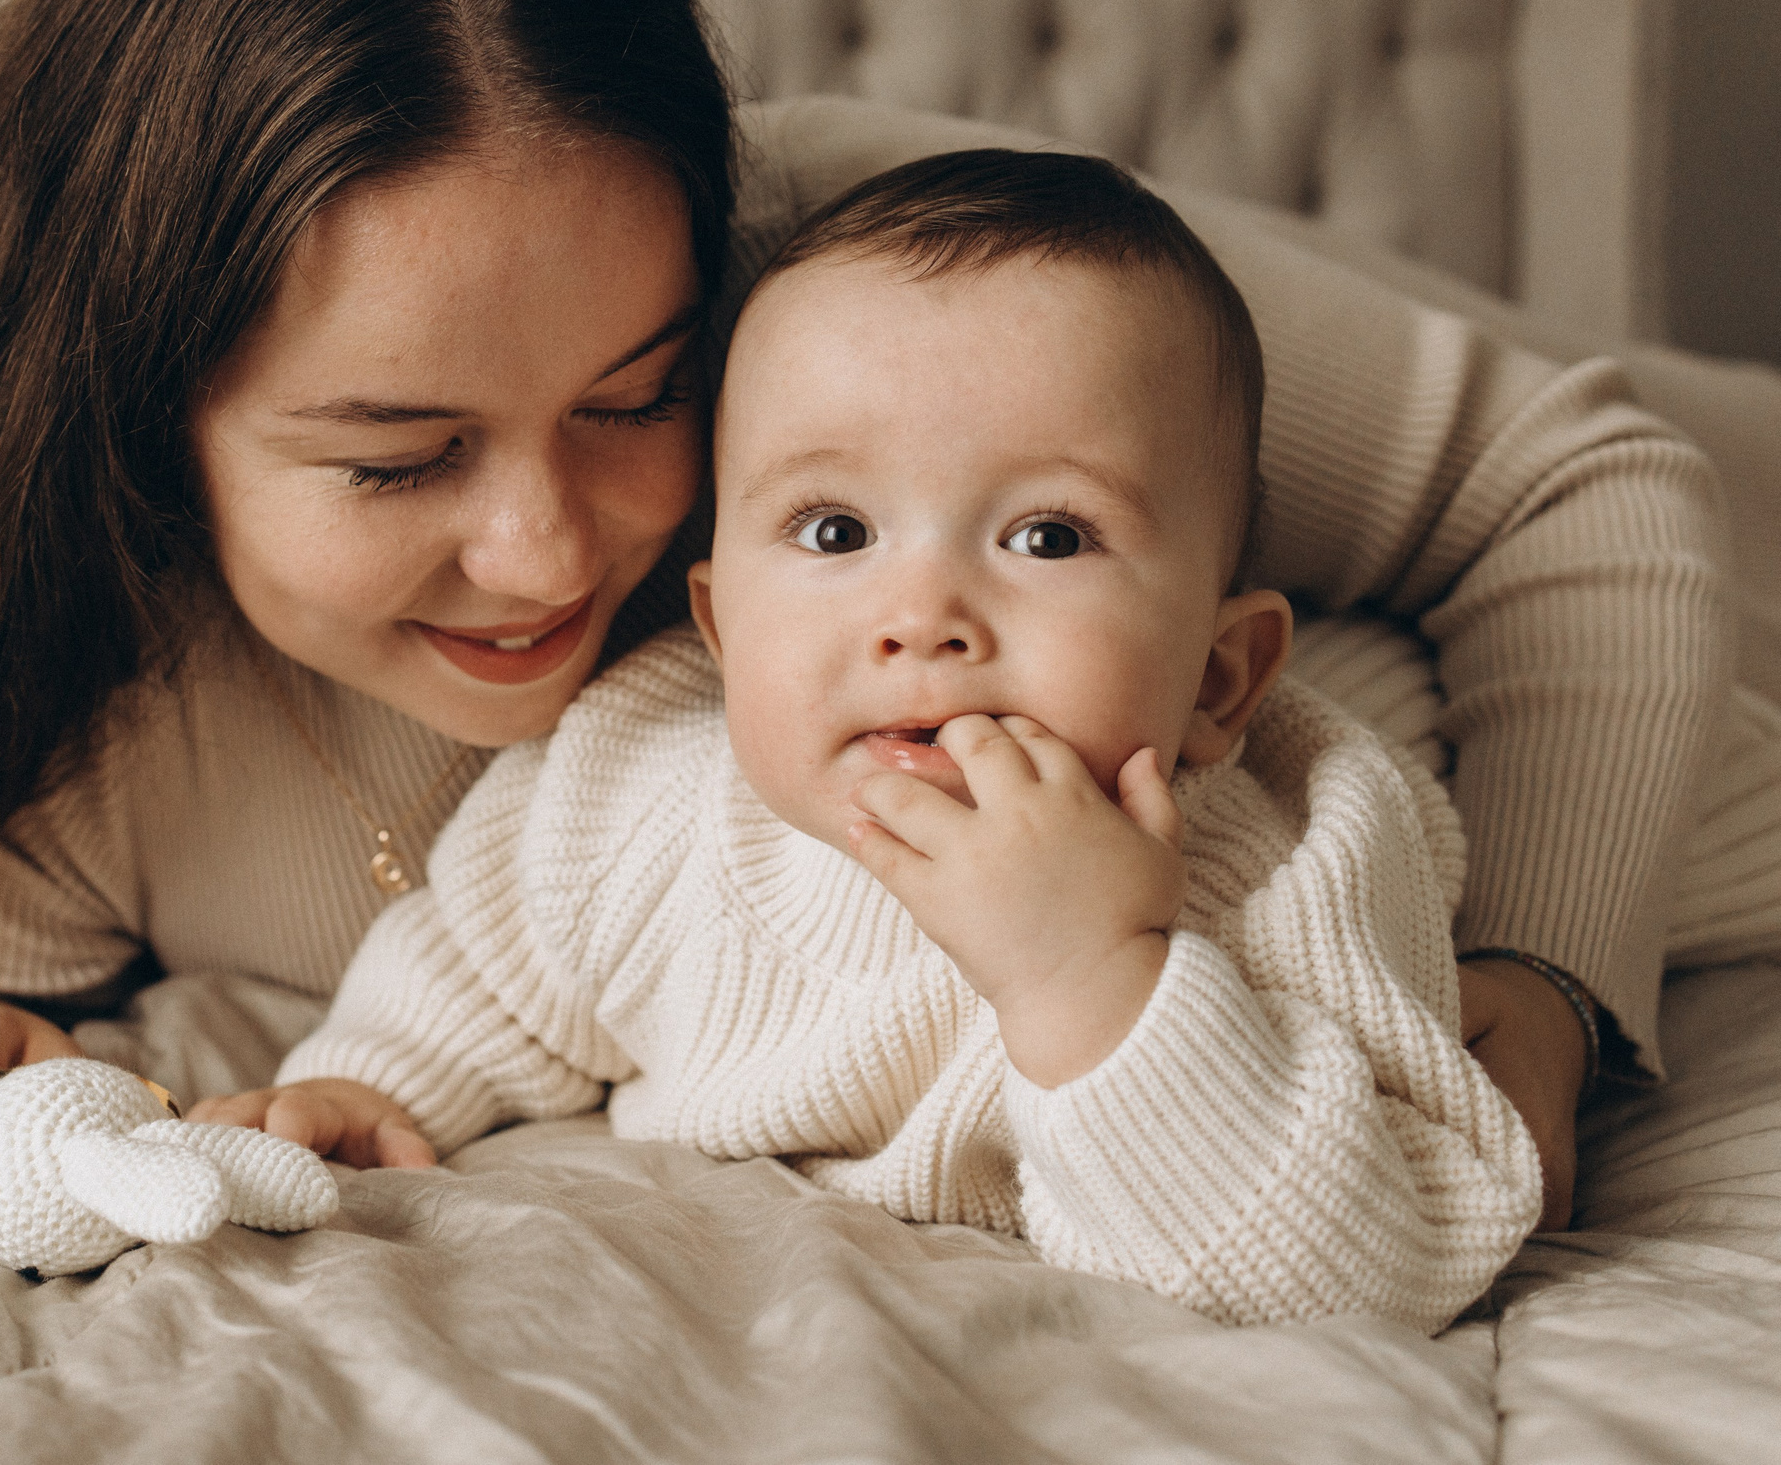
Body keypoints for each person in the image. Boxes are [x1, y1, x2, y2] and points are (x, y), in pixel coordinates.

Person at [0, 0, 1728, 1236]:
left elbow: (1579, 485)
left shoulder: (899, 316)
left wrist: (1540, 988)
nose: (552, 551)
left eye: (640, 396)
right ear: (128, 411)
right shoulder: (77, 685)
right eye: (399, 455)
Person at [194, 151, 1544, 1329]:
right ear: (721, 631)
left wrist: (1093, 979)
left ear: (1220, 678)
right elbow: (480, 974)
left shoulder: (1295, 860)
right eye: (835, 531)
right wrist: (364, 1084)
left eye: (1048, 536)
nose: (923, 617)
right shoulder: (636, 788)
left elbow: (1369, 1267)